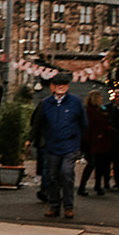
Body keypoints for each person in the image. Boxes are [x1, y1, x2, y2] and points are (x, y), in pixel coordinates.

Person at [33, 70, 85, 218]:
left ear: (68, 86)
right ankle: (54, 206)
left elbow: (83, 123)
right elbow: (38, 123)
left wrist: (78, 140)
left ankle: (68, 206)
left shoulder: (75, 102)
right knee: (52, 176)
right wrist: (33, 139)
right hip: (52, 146)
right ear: (52, 86)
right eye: (57, 84)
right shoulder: (46, 103)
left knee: (67, 173)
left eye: (64, 84)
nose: (61, 87)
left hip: (69, 145)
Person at [76, 89, 113, 197]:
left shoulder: (101, 111)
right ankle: (82, 186)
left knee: (100, 164)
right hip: (92, 141)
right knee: (91, 163)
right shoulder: (89, 112)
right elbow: (87, 126)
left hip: (101, 141)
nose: (102, 99)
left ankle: (98, 185)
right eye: (100, 97)